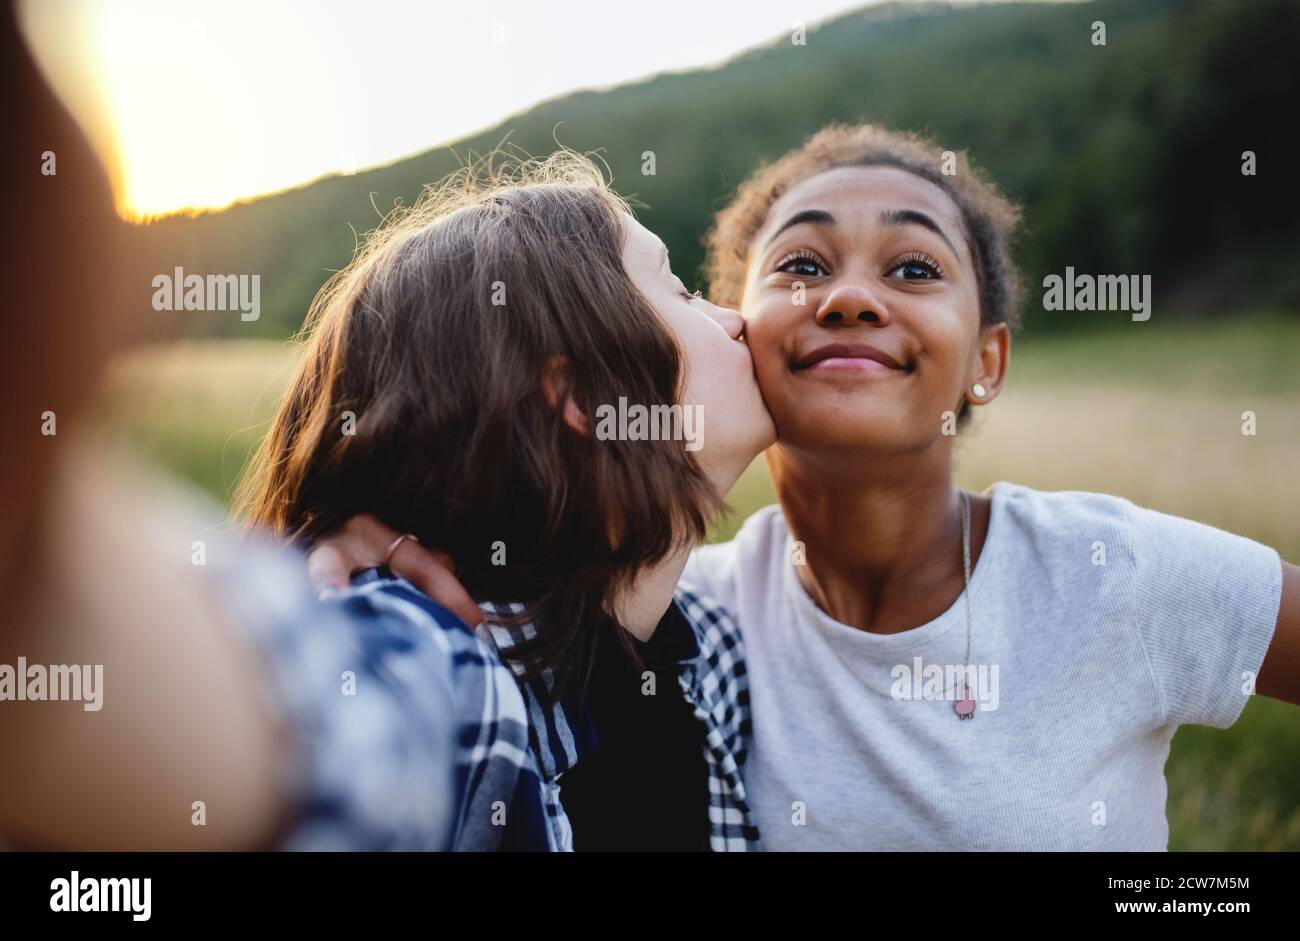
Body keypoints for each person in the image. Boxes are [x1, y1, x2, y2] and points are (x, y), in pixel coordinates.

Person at [318, 123, 1300, 851]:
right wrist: (316, 569)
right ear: (751, 328)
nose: (851, 297)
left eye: (914, 265)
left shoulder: (1108, 572)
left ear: (987, 360)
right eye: (799, 266)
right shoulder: (671, 626)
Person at [236, 151, 776, 850]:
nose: (734, 319)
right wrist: (281, 619)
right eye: (681, 289)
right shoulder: (436, 670)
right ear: (586, 397)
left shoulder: (709, 645)